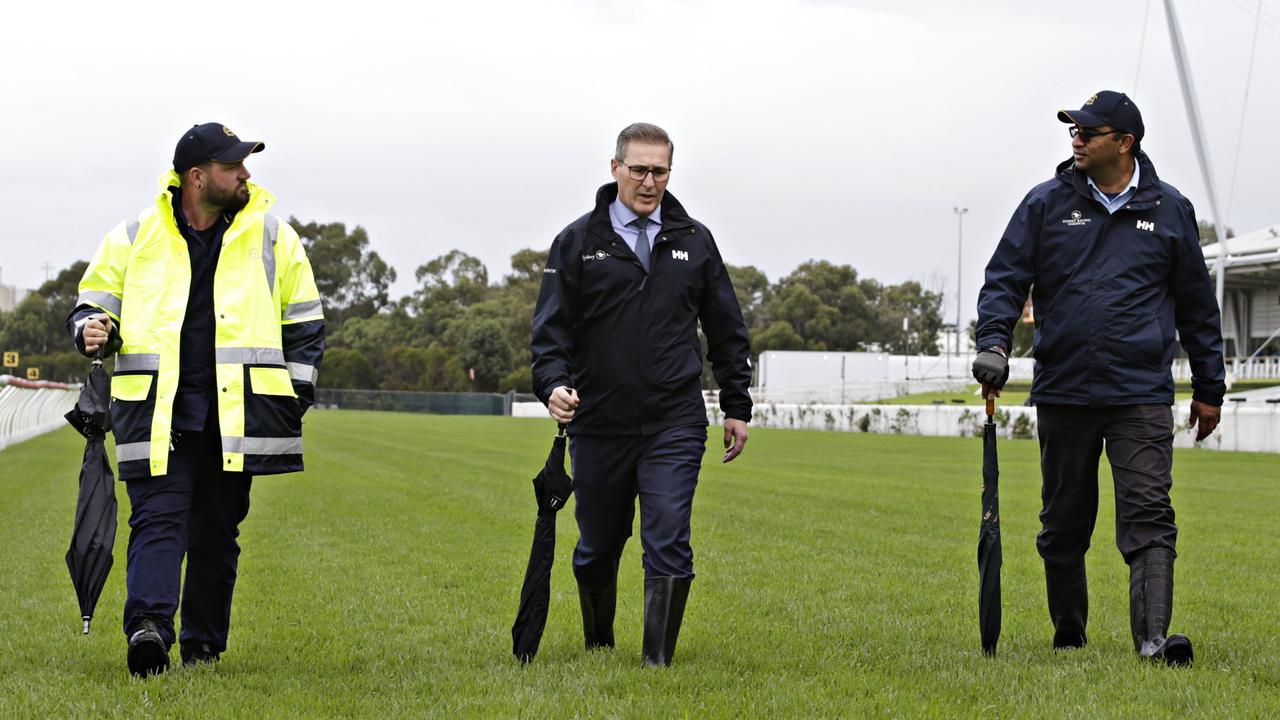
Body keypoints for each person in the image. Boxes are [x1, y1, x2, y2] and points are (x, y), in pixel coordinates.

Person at [972, 91, 1224, 666]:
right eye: (1073, 132)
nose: (1076, 140)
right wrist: (992, 343)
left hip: (1140, 393)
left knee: (1150, 514)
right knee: (1063, 522)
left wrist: (1210, 387)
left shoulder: (1170, 210)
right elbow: (1005, 280)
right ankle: (1069, 634)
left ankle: (1154, 642)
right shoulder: (1045, 204)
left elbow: (1197, 308)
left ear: (1125, 142)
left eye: (1089, 131)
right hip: (1064, 390)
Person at [67, 123, 325, 676]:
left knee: (216, 534)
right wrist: (92, 325)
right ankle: (149, 631)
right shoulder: (135, 234)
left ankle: (203, 647)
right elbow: (92, 303)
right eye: (234, 167)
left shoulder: (276, 237)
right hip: (155, 411)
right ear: (197, 177)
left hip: (240, 416)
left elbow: (305, 324)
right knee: (157, 521)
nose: (246, 175)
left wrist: (293, 398)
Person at [531, 122, 753, 667]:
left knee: (669, 537)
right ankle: (599, 642)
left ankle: (658, 664)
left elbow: (726, 329)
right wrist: (554, 385)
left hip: (673, 422)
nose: (649, 182)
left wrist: (737, 406)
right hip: (599, 423)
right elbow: (551, 333)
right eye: (639, 170)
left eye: (660, 171)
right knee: (597, 548)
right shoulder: (578, 241)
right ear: (615, 169)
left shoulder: (694, 240)